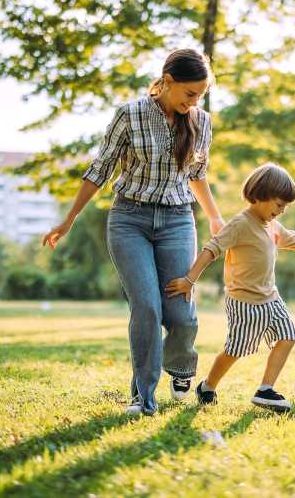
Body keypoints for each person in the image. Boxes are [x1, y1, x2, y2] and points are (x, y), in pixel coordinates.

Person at [43, 49, 224, 417]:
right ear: (167, 82)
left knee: (182, 315)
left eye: (201, 95)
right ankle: (143, 397)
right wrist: (70, 218)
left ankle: (180, 367)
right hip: (130, 220)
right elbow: (100, 169)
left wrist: (215, 219)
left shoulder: (201, 122)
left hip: (177, 221)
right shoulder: (130, 114)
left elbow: (197, 175)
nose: (195, 102)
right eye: (190, 94)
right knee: (146, 307)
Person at [165, 164, 295, 413]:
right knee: (234, 350)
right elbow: (211, 250)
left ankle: (265, 390)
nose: (281, 212)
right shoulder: (241, 224)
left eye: (285, 207)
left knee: (288, 336)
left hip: (271, 297)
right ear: (260, 195)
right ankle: (207, 386)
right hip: (243, 302)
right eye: (279, 204)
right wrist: (190, 280)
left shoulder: (272, 226)